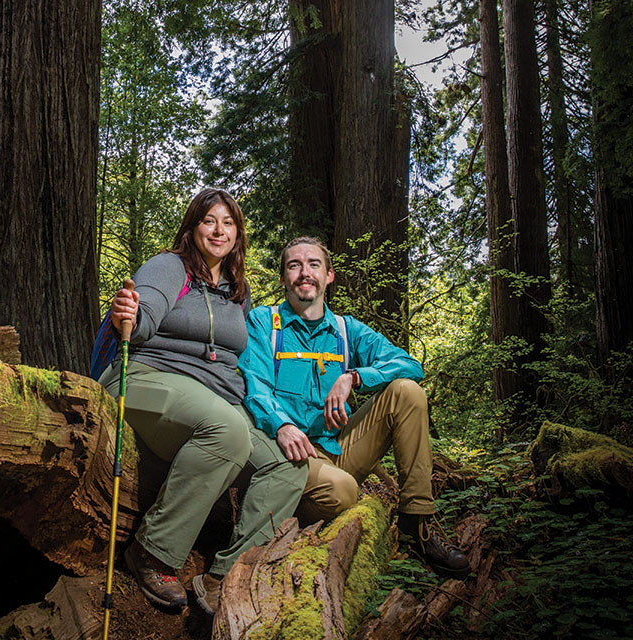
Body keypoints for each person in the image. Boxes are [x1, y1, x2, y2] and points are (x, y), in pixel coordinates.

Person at [191, 236, 470, 616]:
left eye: (313, 264)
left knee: (407, 392)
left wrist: (354, 376)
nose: (304, 273)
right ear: (283, 278)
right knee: (342, 492)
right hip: (287, 453)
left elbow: (410, 365)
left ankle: (417, 523)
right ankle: (264, 539)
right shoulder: (264, 322)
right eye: (294, 265)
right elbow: (253, 384)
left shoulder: (345, 330)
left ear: (329, 276)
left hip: (339, 448)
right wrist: (283, 425)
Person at [99, 188, 253, 610]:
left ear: (238, 233)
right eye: (209, 221)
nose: (219, 230)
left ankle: (232, 570)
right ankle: (153, 551)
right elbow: (145, 314)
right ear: (193, 227)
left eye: (228, 222)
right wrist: (130, 314)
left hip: (213, 397)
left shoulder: (238, 291)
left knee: (280, 463)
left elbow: (245, 358)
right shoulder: (170, 266)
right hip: (148, 378)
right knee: (228, 432)